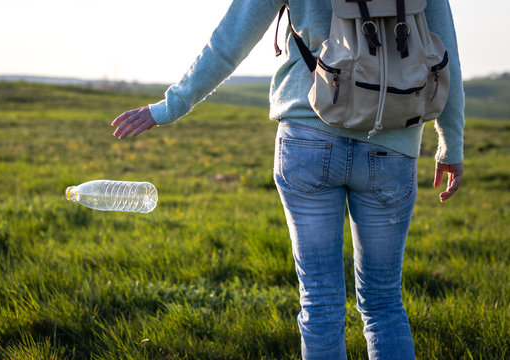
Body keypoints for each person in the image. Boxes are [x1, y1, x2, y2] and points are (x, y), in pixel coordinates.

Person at [111, 0, 464, 358]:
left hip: (308, 136)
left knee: (321, 303)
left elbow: (230, 41)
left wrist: (169, 107)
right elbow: (445, 50)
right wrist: (451, 145)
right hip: (393, 144)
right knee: (384, 304)